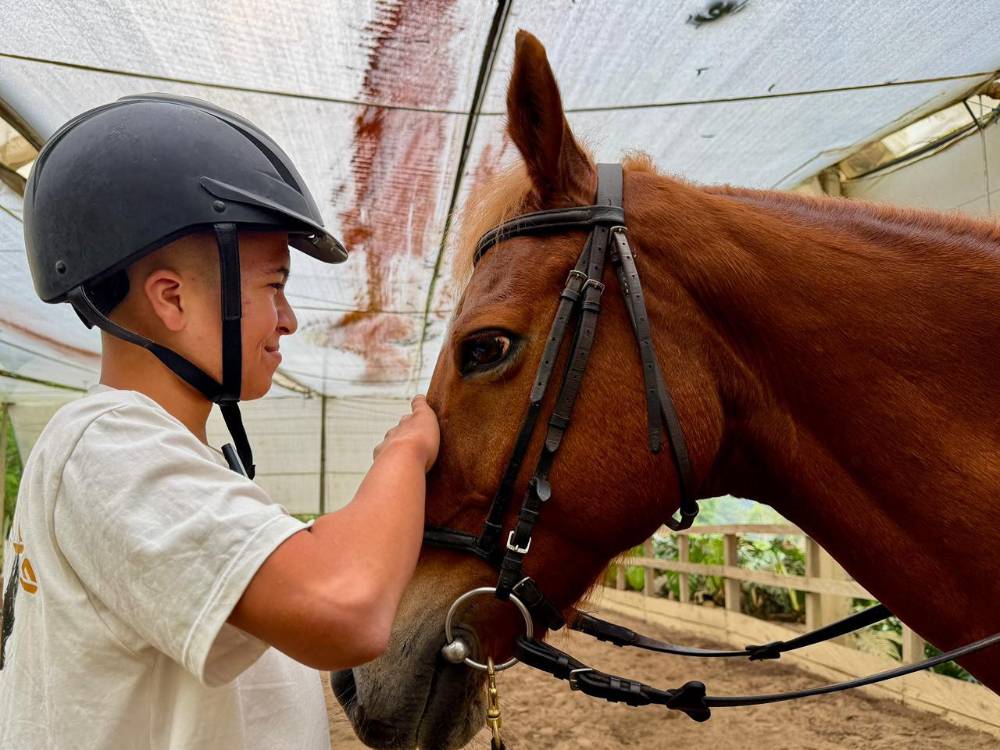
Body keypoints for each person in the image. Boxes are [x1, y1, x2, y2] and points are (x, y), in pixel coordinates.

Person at [0, 94, 439, 749]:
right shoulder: (105, 448)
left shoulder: (156, 456)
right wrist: (406, 453)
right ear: (171, 299)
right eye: (274, 285)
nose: (289, 318)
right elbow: (343, 604)